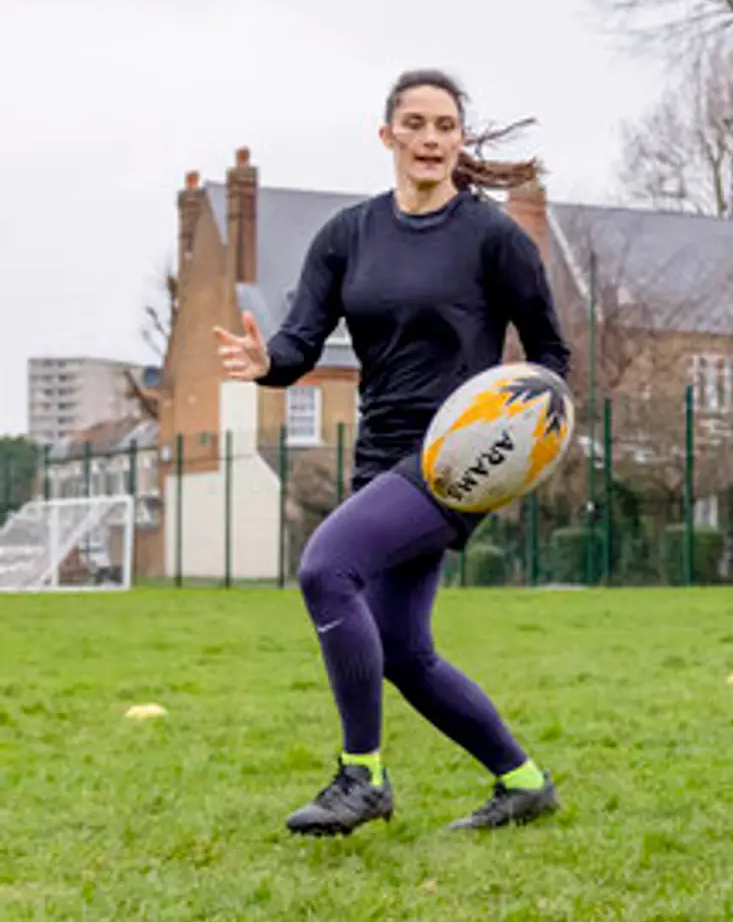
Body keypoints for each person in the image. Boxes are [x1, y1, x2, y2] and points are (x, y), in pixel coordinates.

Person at [213, 69, 569, 837]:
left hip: (454, 460)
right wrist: (264, 363)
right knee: (404, 649)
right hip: (379, 455)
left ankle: (361, 776)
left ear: (459, 139)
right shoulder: (348, 235)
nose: (433, 138)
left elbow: (550, 353)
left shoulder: (493, 238)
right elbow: (301, 341)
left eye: (446, 125)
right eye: (416, 124)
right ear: (388, 137)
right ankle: (524, 780)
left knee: (324, 567)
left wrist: (529, 444)